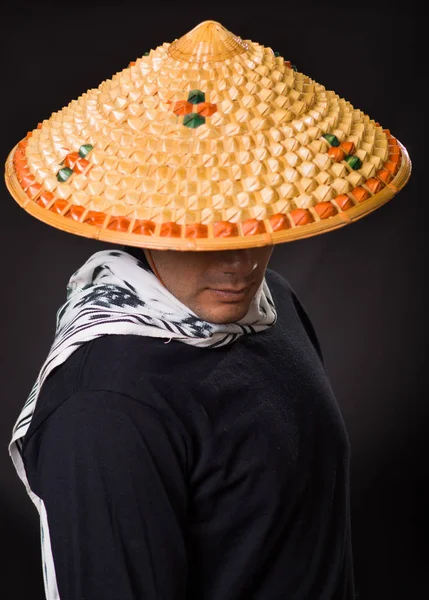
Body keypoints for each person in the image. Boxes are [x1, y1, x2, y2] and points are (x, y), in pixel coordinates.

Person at [5, 19, 410, 600]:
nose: (240, 261)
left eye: (253, 221)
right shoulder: (106, 412)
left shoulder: (275, 304)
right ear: (148, 220)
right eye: (206, 235)